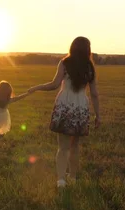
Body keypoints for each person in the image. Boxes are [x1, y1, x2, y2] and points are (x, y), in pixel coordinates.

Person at [28, 37, 100, 188]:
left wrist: (36, 87)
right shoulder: (90, 67)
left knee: (63, 147)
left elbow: (54, 85)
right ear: (88, 49)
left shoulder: (65, 63)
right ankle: (72, 178)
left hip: (65, 105)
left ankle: (61, 180)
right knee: (75, 146)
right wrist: (98, 115)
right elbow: (94, 93)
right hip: (81, 106)